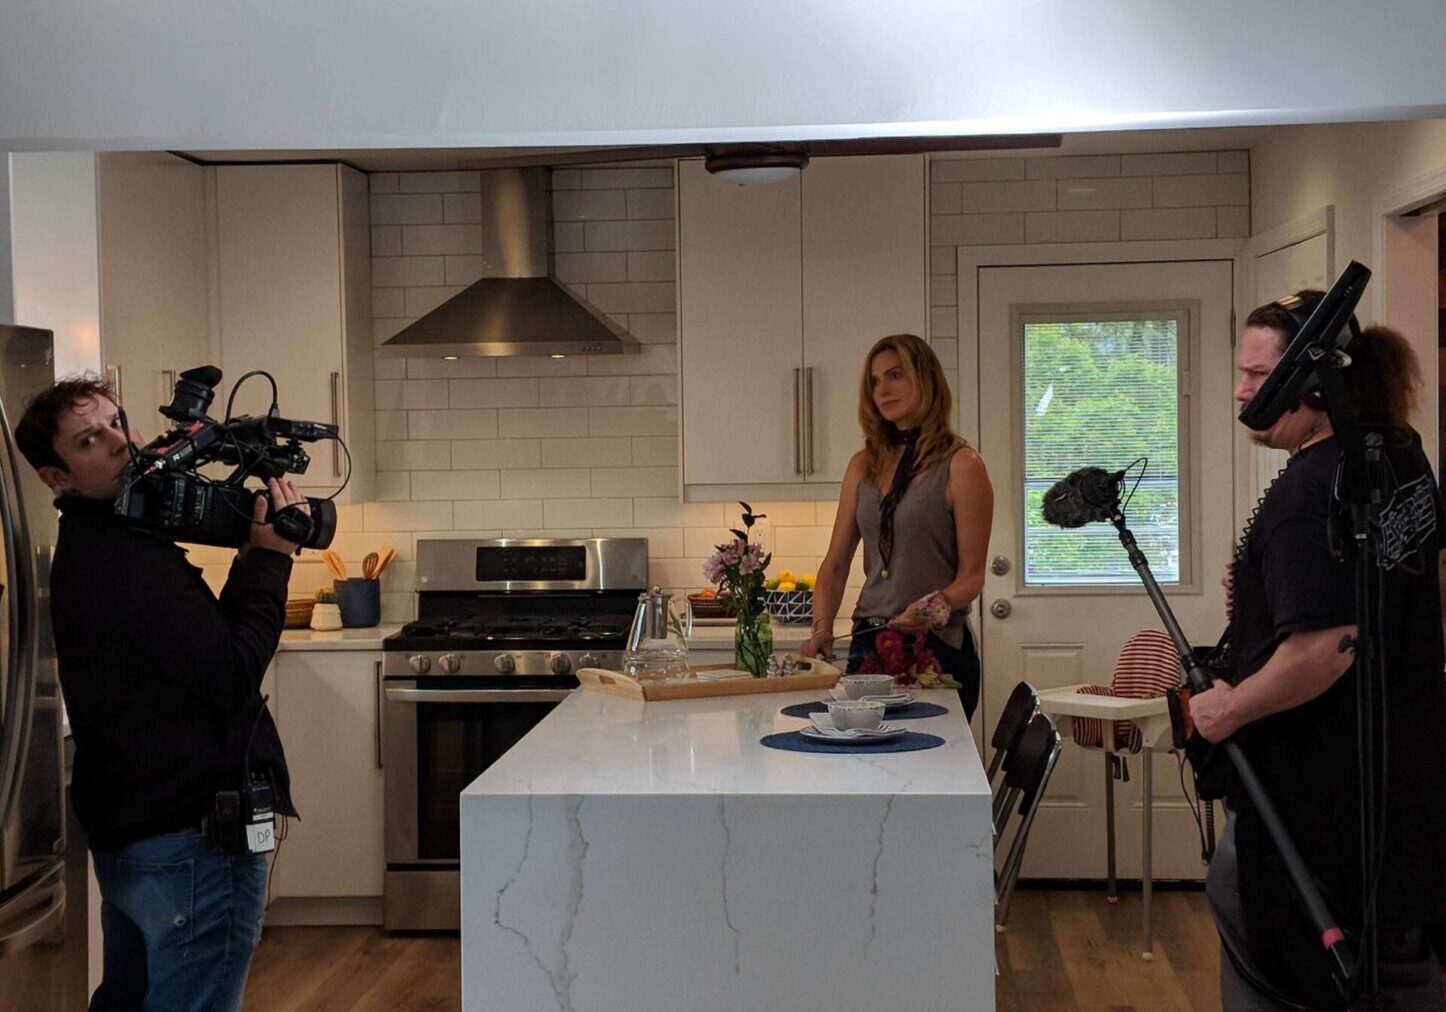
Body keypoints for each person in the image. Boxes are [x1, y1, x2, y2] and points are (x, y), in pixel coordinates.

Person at [14, 376, 306, 1012]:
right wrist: (273, 559)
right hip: (192, 841)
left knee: (129, 1000)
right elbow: (232, 672)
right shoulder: (122, 560)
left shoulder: (101, 544)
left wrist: (255, 558)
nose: (120, 443)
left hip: (139, 835)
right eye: (91, 439)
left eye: (119, 422)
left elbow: (203, 655)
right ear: (55, 477)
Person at [1188, 294, 1446, 1010]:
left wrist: (1229, 707)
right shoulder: (1397, 453)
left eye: (1255, 373)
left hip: (1310, 812)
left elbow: (1330, 646)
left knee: (1286, 981)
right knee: (1401, 975)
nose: (1242, 391)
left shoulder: (1309, 489)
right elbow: (1390, 589)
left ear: (1309, 381)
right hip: (1400, 795)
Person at [800, 333, 993, 718]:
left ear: (926, 379)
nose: (882, 390)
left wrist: (936, 605)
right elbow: (835, 564)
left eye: (895, 376)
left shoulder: (962, 465)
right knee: (869, 769)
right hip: (869, 642)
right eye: (874, 382)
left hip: (936, 645)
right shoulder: (862, 466)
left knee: (930, 769)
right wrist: (821, 631)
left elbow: (972, 578)